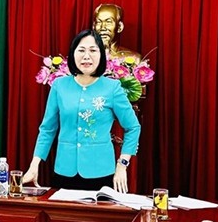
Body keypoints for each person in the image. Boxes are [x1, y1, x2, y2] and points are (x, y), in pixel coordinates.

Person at [22, 30, 141, 192]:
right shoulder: (59, 86)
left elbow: (133, 127)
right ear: (73, 54)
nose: (86, 56)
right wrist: (34, 164)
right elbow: (47, 129)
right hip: (64, 171)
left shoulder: (112, 88)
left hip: (101, 172)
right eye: (81, 50)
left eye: (93, 50)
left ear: (101, 55)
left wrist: (122, 165)